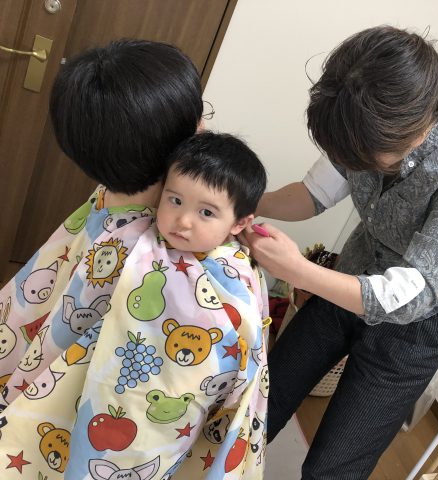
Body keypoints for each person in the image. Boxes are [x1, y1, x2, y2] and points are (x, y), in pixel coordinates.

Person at [240, 25, 438, 479]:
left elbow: (410, 296)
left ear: (412, 134)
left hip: (417, 324)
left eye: (359, 158)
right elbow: (313, 193)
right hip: (350, 278)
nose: (348, 162)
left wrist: (297, 271)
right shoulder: (360, 121)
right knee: (262, 401)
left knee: (334, 467)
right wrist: (244, 202)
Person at [0, 39, 268, 479]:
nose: (204, 124)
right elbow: (157, 426)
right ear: (177, 143)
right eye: (200, 115)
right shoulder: (188, 282)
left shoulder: (109, 193)